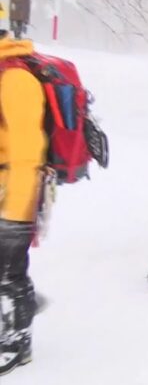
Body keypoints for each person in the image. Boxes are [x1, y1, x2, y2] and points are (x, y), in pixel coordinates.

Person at [0, 30, 45, 375]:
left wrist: (16, 215)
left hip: (11, 194)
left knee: (9, 272)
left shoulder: (16, 79)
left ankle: (18, 342)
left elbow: (28, 152)